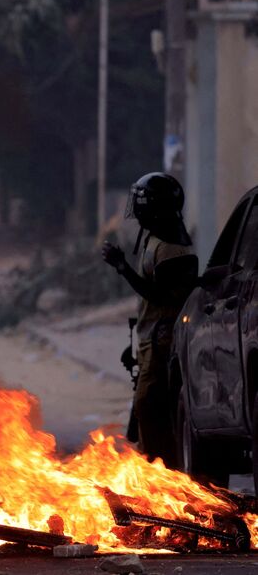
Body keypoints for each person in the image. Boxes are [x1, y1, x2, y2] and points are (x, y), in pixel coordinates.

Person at [101, 172, 198, 467]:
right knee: (145, 410)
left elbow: (161, 296)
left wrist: (123, 268)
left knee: (149, 405)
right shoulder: (154, 237)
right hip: (149, 337)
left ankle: (163, 472)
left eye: (142, 203)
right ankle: (151, 468)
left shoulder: (171, 248)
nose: (137, 209)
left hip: (163, 339)